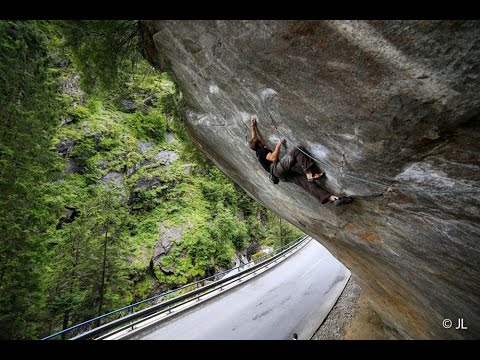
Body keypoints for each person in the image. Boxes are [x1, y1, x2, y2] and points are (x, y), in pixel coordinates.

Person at [248, 116, 353, 206]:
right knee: (296, 151)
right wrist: (279, 144)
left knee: (305, 183)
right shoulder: (261, 150)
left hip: (280, 175)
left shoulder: (256, 150)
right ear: (259, 144)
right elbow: (273, 158)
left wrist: (253, 126)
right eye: (260, 141)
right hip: (276, 169)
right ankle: (309, 173)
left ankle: (333, 198)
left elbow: (254, 138)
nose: (262, 140)